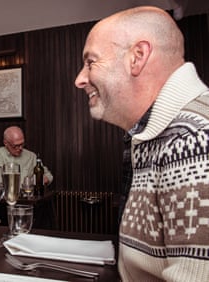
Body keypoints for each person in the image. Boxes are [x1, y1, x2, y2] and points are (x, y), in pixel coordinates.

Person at [75, 6, 209, 281]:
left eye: (90, 62)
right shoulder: (157, 132)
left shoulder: (193, 140)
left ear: (137, 57)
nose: (80, 79)